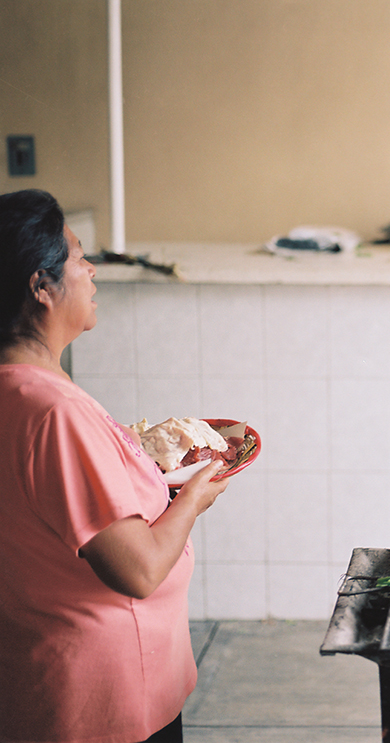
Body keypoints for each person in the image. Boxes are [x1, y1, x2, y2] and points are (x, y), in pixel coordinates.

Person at [0, 189, 229, 743]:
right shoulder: (57, 412)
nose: (92, 270)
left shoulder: (20, 393)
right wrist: (197, 495)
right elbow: (138, 570)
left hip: (35, 677)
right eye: (78, 257)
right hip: (101, 700)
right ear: (40, 286)